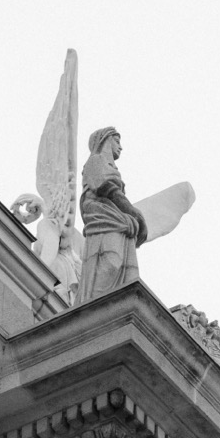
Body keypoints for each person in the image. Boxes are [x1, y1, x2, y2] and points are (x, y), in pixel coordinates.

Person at [73, 128, 148, 305]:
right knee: (110, 263)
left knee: (120, 264)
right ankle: (96, 307)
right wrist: (133, 212)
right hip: (103, 218)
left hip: (115, 219)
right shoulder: (95, 160)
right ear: (105, 139)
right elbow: (105, 187)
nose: (120, 147)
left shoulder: (107, 164)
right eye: (117, 141)